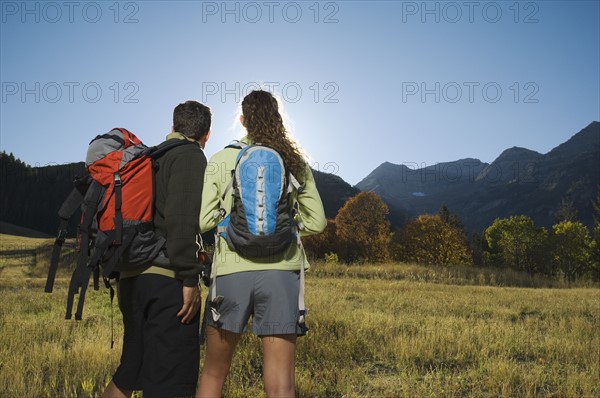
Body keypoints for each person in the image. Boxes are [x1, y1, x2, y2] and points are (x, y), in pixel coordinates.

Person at [196, 90, 326, 398]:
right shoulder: (294, 161)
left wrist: (227, 224)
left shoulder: (221, 158)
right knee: (281, 384)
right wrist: (288, 229)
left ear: (242, 120)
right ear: (277, 117)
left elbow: (202, 222)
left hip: (231, 272)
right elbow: (318, 222)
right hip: (282, 272)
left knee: (214, 373)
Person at [102, 100, 212, 398]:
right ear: (207, 134)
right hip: (165, 281)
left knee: (130, 371)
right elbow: (180, 221)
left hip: (131, 280)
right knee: (170, 381)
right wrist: (189, 278)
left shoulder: (149, 158)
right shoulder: (190, 155)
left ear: (172, 126)